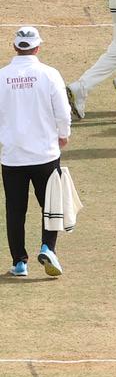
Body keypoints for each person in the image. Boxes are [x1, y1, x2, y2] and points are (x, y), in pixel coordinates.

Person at [1, 28, 71, 277]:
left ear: (14, 47)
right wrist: (64, 133)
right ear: (38, 48)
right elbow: (62, 111)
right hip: (46, 154)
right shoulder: (49, 74)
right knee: (51, 205)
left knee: (15, 210)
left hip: (13, 156)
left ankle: (19, 262)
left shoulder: (2, 76)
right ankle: (48, 247)